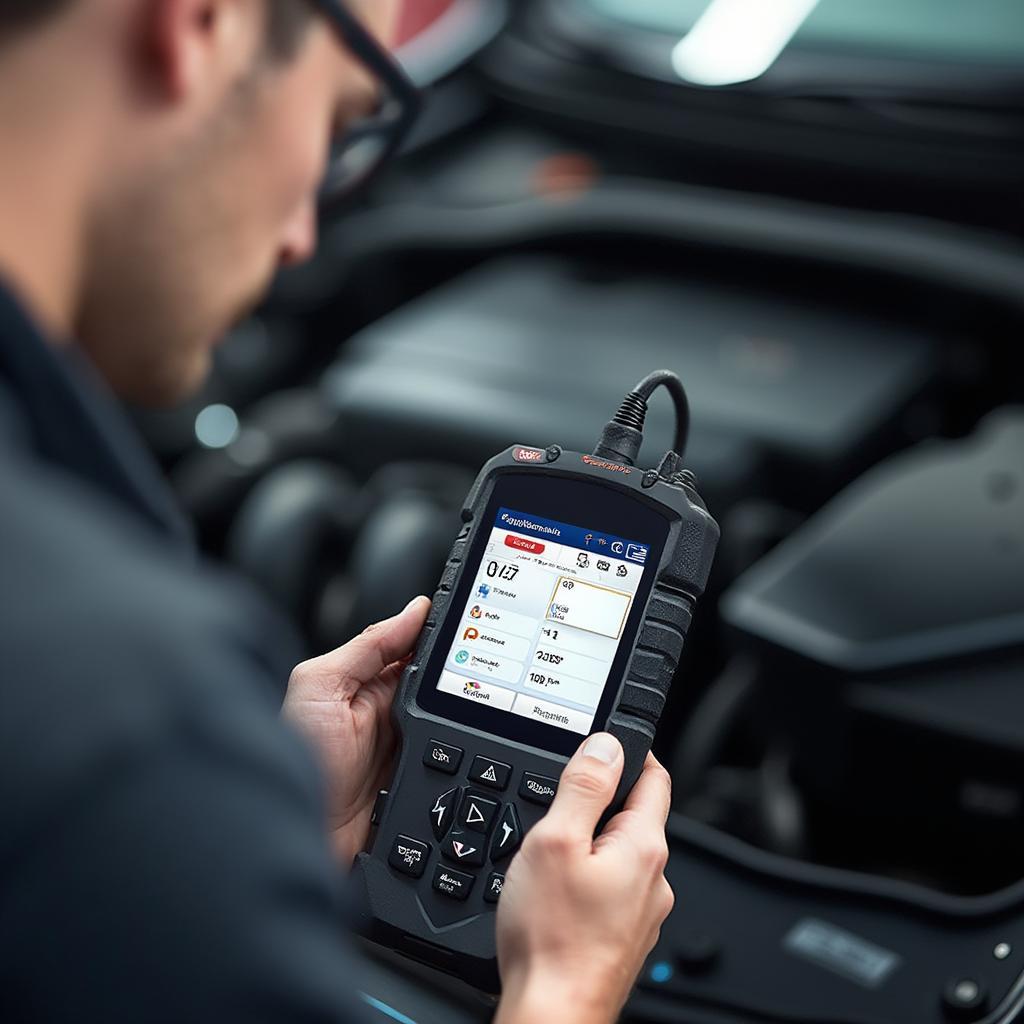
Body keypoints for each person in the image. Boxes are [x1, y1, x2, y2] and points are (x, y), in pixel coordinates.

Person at [0, 1, 675, 1021]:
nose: (307, 231)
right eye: (342, 119)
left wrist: (236, 847)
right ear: (201, 24)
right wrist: (567, 991)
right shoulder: (118, 707)